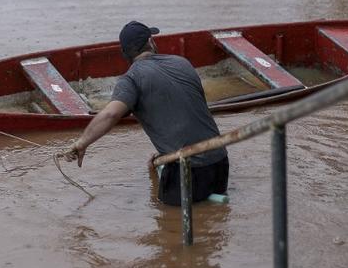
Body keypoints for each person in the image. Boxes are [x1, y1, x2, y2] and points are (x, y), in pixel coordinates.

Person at [63, 21, 229, 205]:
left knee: (165, 220)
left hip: (188, 172)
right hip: (220, 163)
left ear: (125, 54)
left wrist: (81, 143)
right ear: (151, 42)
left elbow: (111, 114)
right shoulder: (182, 63)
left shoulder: (131, 79)